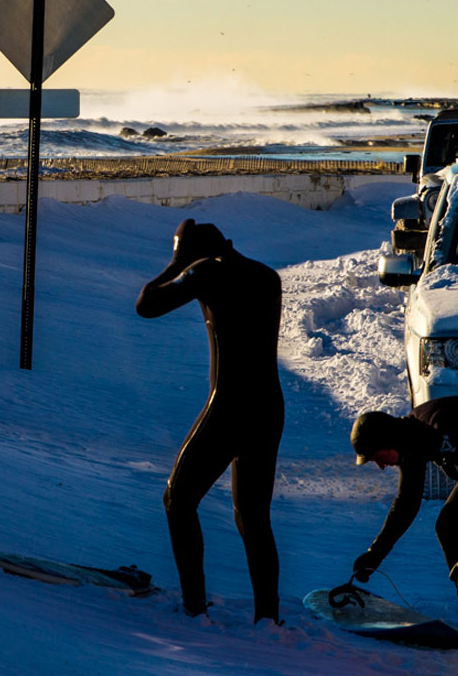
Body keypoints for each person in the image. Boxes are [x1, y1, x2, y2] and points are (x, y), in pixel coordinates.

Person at [135, 219, 284, 623]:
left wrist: (175, 264)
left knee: (177, 499)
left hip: (230, 407)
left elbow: (146, 305)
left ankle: (194, 608)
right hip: (269, 407)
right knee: (253, 518)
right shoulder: (267, 277)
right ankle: (267, 618)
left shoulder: (207, 273)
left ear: (192, 253)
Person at [349, 395, 458, 639]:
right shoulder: (409, 439)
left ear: (388, 441)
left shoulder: (439, 429)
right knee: (449, 526)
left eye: (377, 457)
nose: (381, 466)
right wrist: (375, 554)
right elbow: (406, 502)